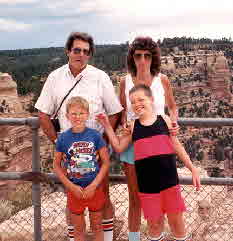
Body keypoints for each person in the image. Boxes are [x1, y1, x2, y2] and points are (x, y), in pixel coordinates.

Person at [35, 32, 123, 241]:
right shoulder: (55, 78)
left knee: (102, 199)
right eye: (77, 50)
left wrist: (104, 144)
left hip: (97, 152)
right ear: (68, 51)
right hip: (69, 152)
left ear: (89, 55)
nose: (81, 55)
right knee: (72, 200)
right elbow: (42, 113)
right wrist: (58, 143)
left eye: (85, 51)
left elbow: (115, 112)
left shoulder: (100, 77)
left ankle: (107, 239)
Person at [97, 84, 200, 241]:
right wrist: (106, 126)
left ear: (151, 99)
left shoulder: (164, 120)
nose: (137, 104)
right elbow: (118, 147)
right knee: (154, 224)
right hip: (147, 186)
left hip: (169, 182)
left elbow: (176, 145)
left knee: (177, 223)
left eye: (141, 99)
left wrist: (192, 168)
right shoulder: (133, 127)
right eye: (133, 102)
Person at [118, 36, 178, 241]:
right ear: (132, 58)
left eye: (147, 55)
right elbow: (122, 111)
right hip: (134, 146)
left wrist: (174, 122)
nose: (142, 60)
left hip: (159, 145)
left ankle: (160, 235)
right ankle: (134, 239)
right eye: (138, 56)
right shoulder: (124, 82)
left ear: (153, 58)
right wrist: (124, 122)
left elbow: (173, 106)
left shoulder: (162, 81)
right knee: (135, 200)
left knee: (163, 196)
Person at [54, 96, 110, 241]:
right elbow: (56, 165)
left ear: (87, 114)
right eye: (73, 113)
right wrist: (70, 186)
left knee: (97, 226)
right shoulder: (63, 138)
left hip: (94, 189)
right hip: (75, 190)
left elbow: (105, 162)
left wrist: (94, 185)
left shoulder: (95, 136)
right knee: (78, 229)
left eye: (81, 113)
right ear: (67, 116)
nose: (77, 117)